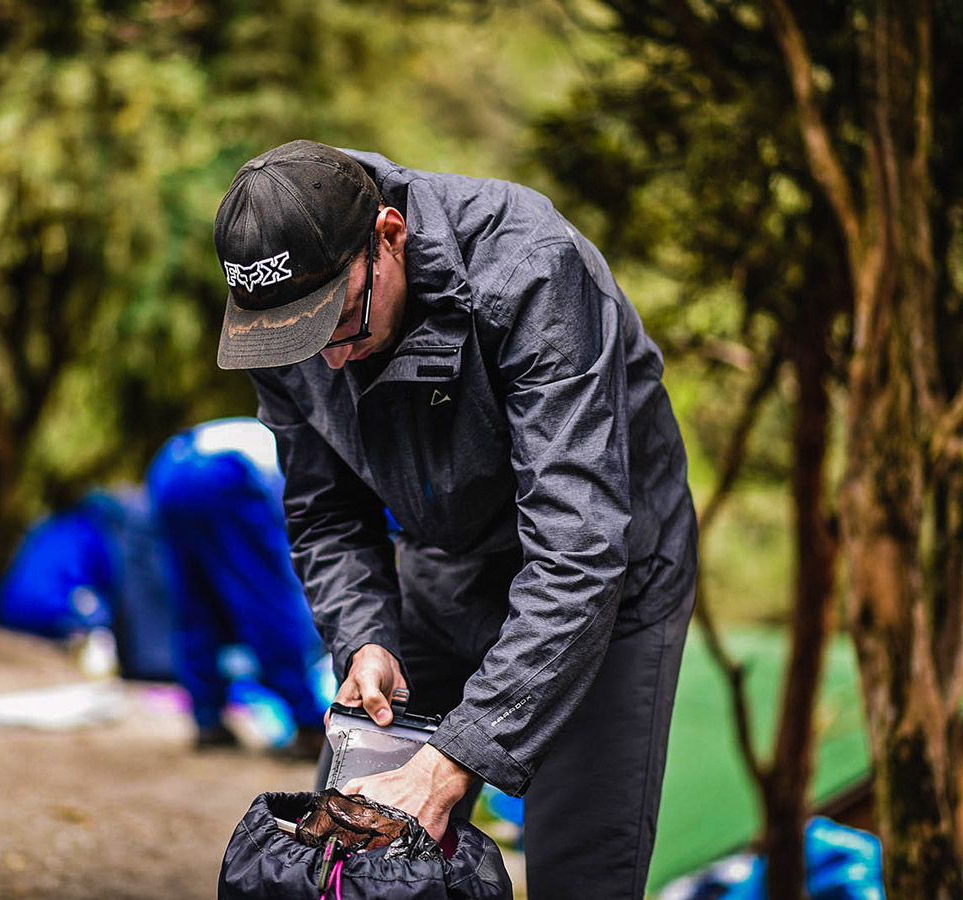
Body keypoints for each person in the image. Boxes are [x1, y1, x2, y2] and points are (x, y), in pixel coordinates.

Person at [212, 140, 698, 898]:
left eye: (339, 323)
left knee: (581, 873)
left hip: (611, 577)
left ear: (390, 235)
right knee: (349, 854)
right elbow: (325, 508)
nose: (329, 362)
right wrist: (365, 634)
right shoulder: (289, 322)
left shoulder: (532, 269)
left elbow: (577, 551)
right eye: (299, 343)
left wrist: (458, 757)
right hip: (444, 560)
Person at [146, 416, 328, 758]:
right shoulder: (311, 456)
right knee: (265, 603)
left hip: (167, 466)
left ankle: (208, 720)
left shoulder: (264, 433)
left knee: (195, 602)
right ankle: (308, 725)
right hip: (221, 475)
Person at [0, 487, 178, 682]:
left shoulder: (58, 527)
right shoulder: (96, 535)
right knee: (96, 618)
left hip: (11, 609)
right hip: (56, 608)